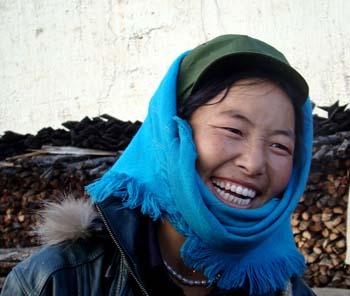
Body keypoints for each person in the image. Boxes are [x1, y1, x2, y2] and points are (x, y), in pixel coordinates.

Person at [1, 35, 316, 296]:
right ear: (171, 132)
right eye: (233, 130)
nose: (254, 164)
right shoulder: (55, 282)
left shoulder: (286, 290)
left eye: (279, 145)